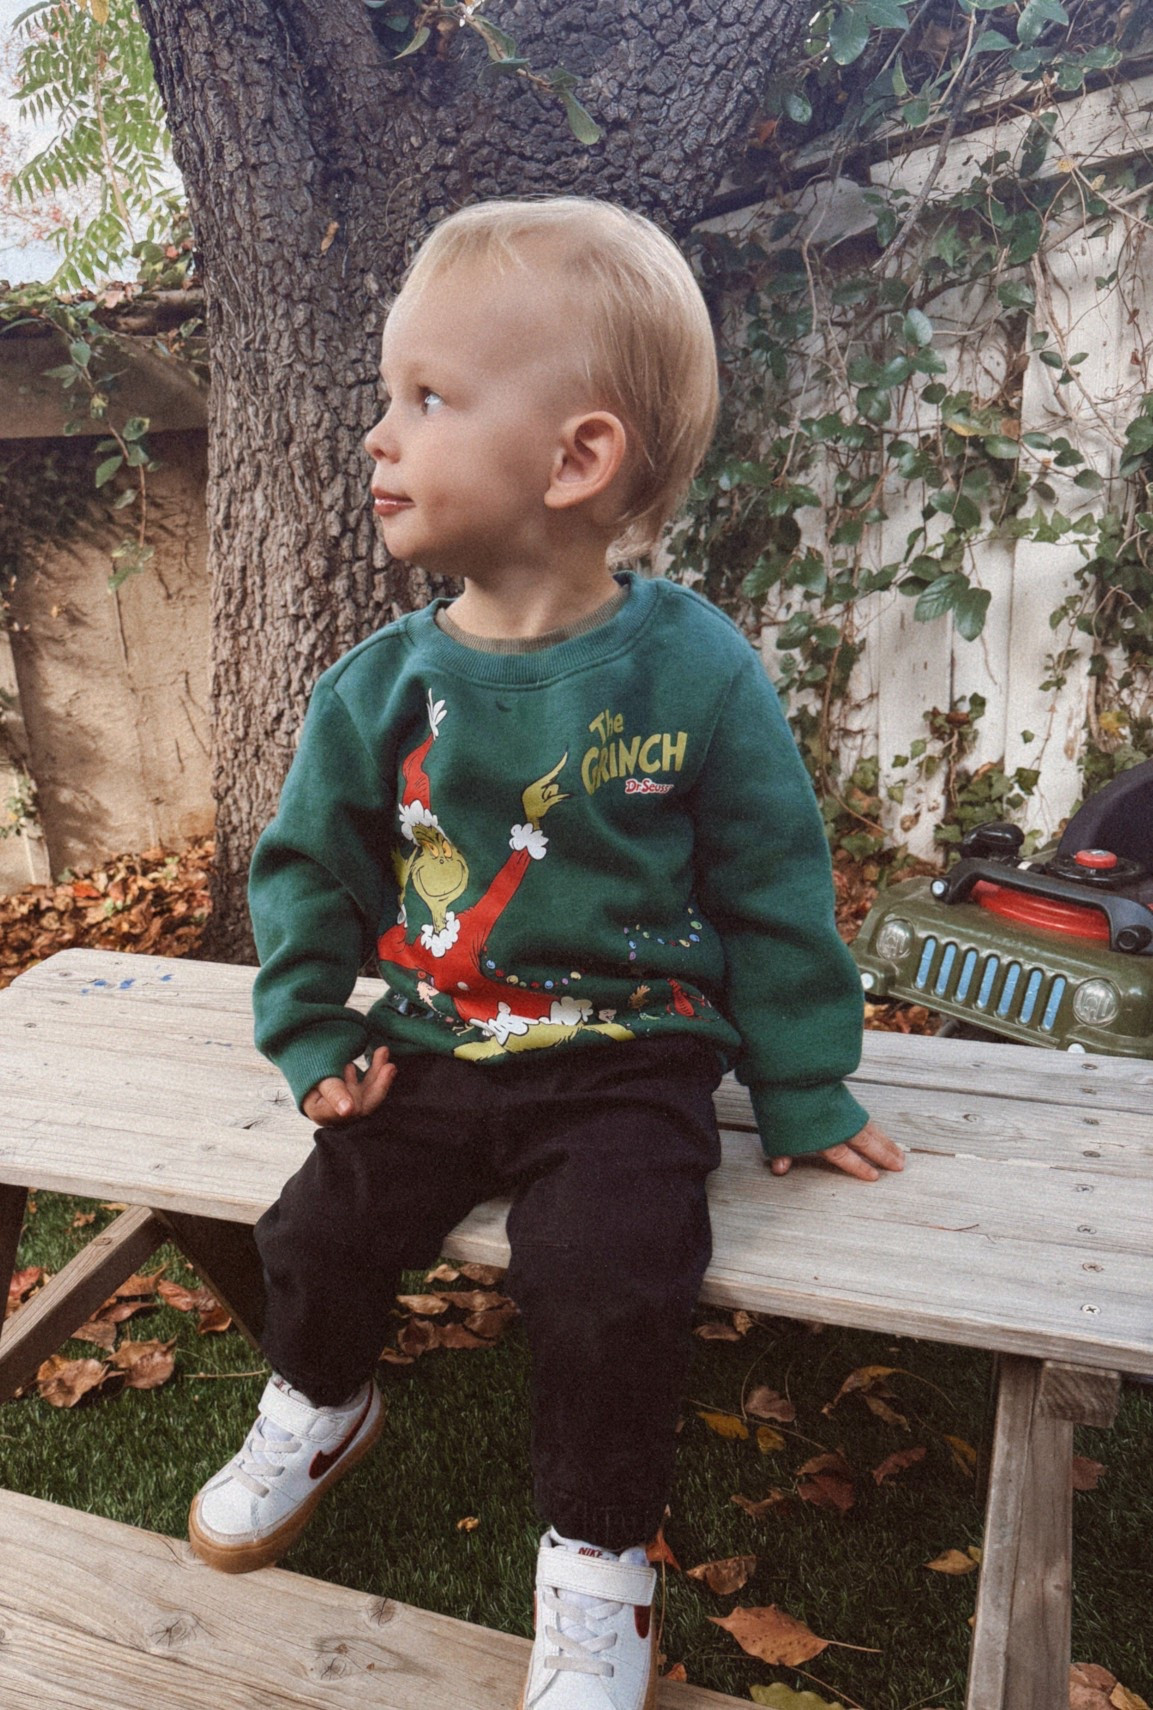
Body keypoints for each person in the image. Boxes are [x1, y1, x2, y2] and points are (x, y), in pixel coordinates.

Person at [188, 196, 903, 1710]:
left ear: (575, 459)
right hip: (440, 1040)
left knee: (605, 1271)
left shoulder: (693, 666)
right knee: (316, 1229)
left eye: (427, 399)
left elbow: (775, 878)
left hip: (630, 1055)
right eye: (391, 398)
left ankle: (596, 1563)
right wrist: (315, 1039)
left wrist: (805, 1086)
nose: (378, 436)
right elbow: (309, 869)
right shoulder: (378, 686)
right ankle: (320, 1397)